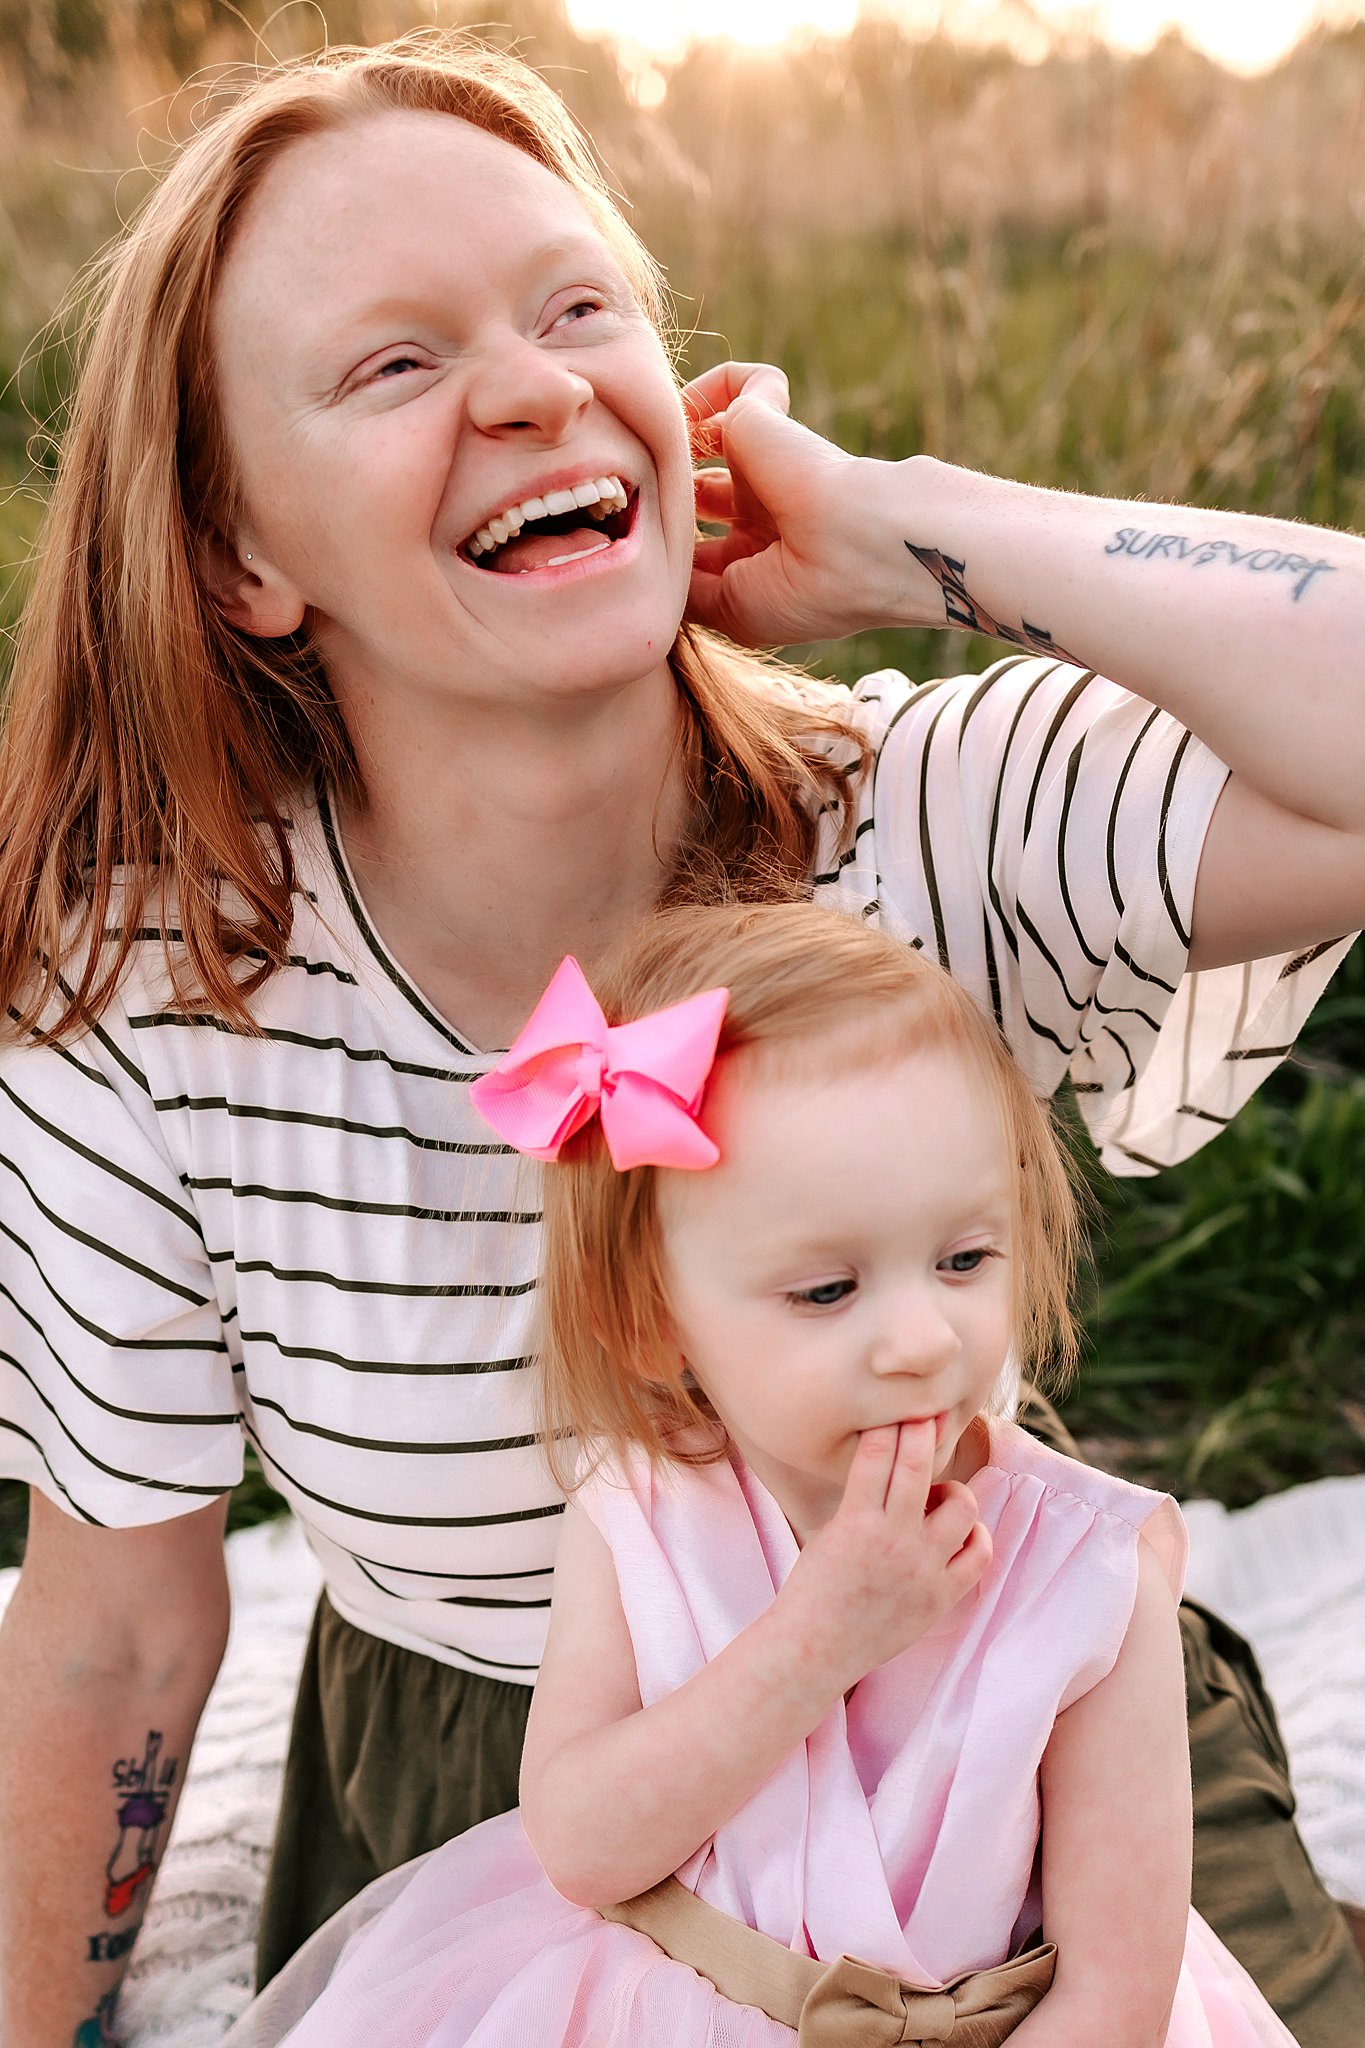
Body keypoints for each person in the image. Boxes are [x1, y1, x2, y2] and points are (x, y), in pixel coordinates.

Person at [0, 30, 1360, 2048]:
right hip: (513, 1788)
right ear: (240, 557)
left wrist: (901, 535)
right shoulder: (154, 990)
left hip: (1018, 1748)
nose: (537, 382)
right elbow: (114, 1624)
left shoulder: (926, 811)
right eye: (391, 362)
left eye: (578, 310)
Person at [224, 901, 1299, 2048]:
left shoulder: (1088, 1569)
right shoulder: (645, 1504)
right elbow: (584, 1846)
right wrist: (820, 1634)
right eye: (828, 1289)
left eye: (964, 1258)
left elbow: (1115, 1990)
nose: (922, 1338)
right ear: (652, 1322)